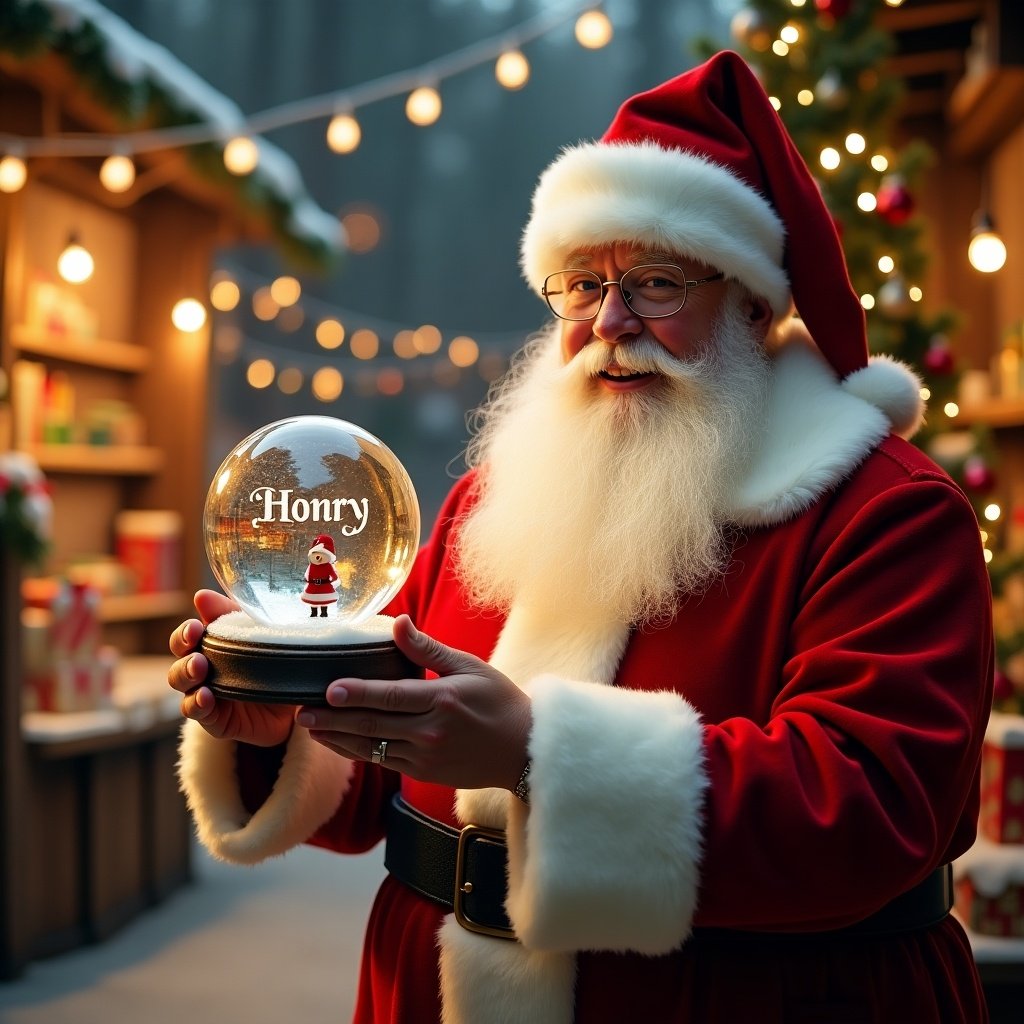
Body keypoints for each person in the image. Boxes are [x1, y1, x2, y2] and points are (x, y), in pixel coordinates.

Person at [168, 51, 993, 1023]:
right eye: (578, 284)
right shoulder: (498, 496)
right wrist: (289, 721)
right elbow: (405, 759)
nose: (610, 320)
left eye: (654, 281)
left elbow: (867, 808)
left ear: (753, 305)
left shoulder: (881, 510)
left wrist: (537, 754)